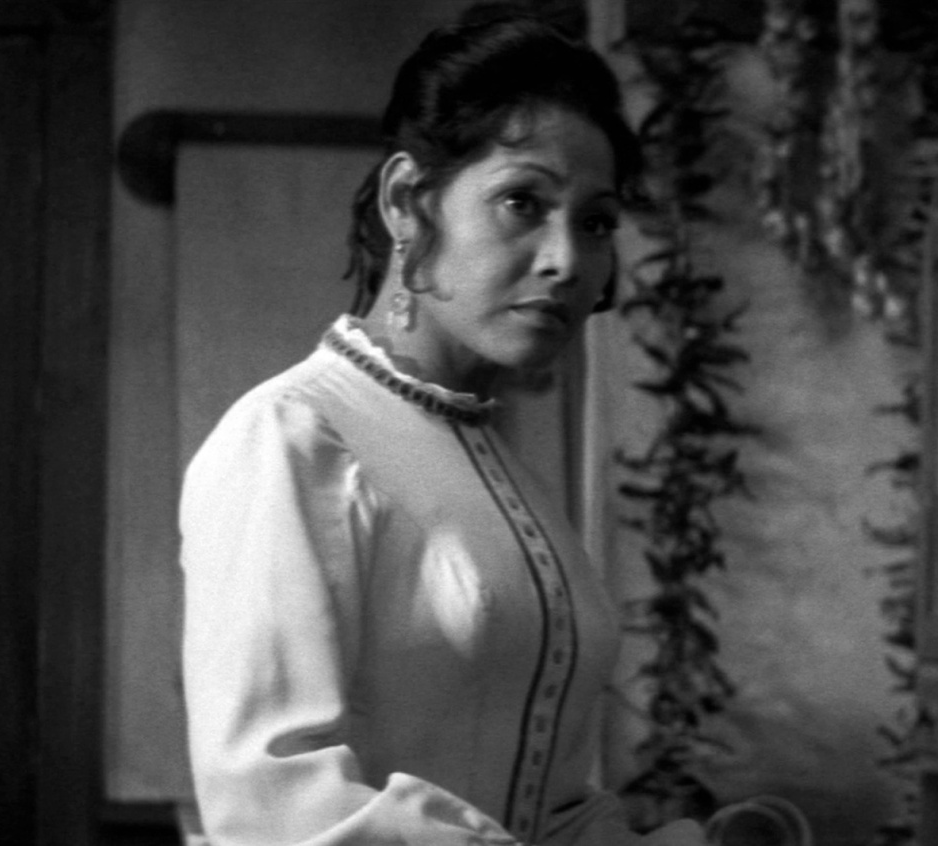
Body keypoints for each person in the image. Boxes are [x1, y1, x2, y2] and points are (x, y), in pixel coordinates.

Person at [179, 13, 708, 846]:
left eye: (597, 221)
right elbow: (274, 810)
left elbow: (550, 807)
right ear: (406, 201)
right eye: (521, 203)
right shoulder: (293, 437)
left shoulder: (505, 474)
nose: (567, 259)